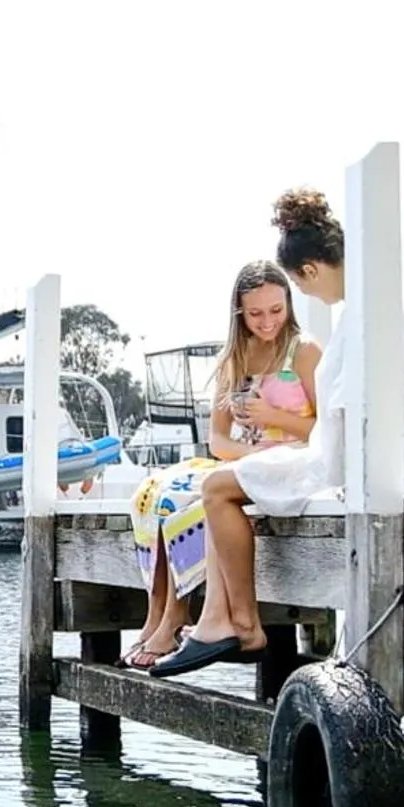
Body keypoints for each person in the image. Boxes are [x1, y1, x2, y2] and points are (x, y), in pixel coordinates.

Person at [151, 187, 404, 678]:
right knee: (217, 486)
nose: (308, 297)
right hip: (356, 461)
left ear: (309, 270)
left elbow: (355, 414)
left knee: (216, 488)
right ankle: (223, 620)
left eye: (299, 289)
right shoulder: (380, 308)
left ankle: (240, 624)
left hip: (340, 467)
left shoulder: (363, 317)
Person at [118, 260, 321, 669]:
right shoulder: (237, 356)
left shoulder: (303, 351)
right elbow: (219, 439)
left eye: (276, 311)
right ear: (240, 313)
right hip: (254, 462)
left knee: (208, 490)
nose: (267, 323)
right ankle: (160, 617)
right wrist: (252, 456)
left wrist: (270, 417)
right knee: (163, 492)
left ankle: (194, 621)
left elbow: (326, 429)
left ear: (289, 305)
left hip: (301, 458)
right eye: (256, 313)